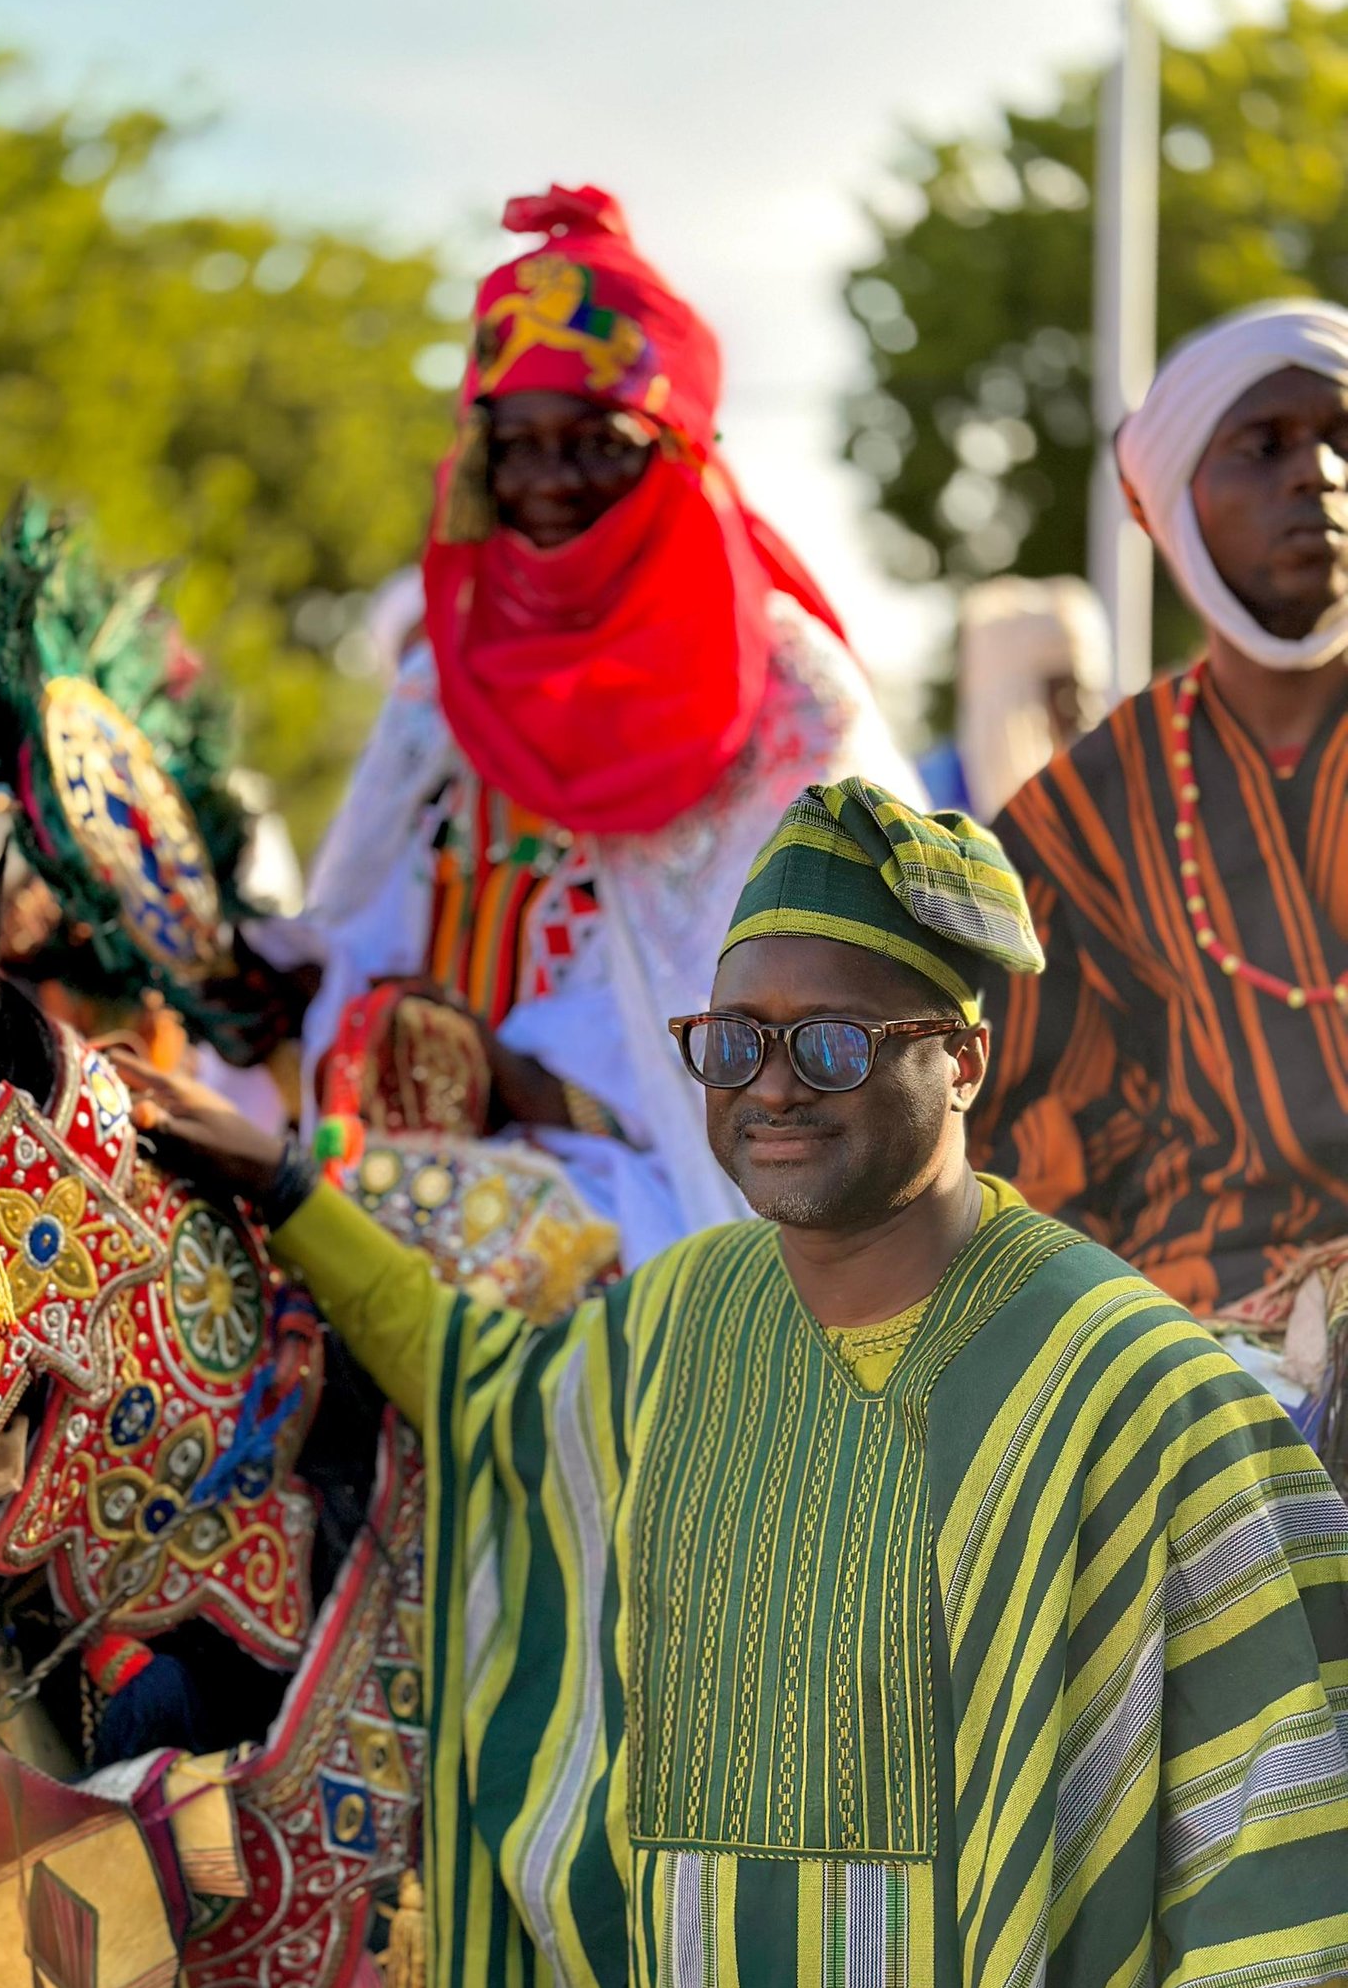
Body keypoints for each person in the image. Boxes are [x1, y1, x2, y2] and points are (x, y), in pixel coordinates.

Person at [122, 777, 1348, 1988]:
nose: (770, 1087)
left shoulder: (1147, 1412)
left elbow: (1274, 1950)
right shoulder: (684, 1328)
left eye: (829, 1043)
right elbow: (482, 1387)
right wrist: (284, 1182)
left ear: (965, 1059)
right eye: (732, 1043)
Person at [285, 183, 919, 1266]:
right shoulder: (444, 684)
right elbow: (342, 939)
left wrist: (530, 1084)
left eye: (594, 441)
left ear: (678, 451)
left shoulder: (787, 693)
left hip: (702, 1219)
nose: (546, 482)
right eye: (515, 446)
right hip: (405, 1183)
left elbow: (845, 1021)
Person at [972, 301, 1348, 1437]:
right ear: (1175, 500)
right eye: (1264, 445)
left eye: (1341, 437)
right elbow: (1013, 1136)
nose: (1319, 476)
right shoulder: (1076, 816)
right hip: (1186, 1335)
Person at [918, 574, 1111, 818]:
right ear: (1013, 694)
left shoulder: (1087, 794)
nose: (1085, 710)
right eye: (1066, 691)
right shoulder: (929, 796)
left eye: (1088, 691)